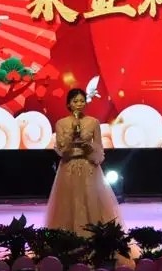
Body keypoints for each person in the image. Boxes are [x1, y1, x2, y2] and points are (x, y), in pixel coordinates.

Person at [44, 88, 121, 236]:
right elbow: (60, 148)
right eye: (75, 101)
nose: (79, 104)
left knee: (91, 201)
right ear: (68, 104)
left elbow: (99, 149)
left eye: (82, 101)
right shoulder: (61, 123)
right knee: (68, 202)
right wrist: (71, 138)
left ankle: (94, 236)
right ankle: (67, 238)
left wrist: (89, 147)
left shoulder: (93, 122)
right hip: (68, 167)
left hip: (88, 166)